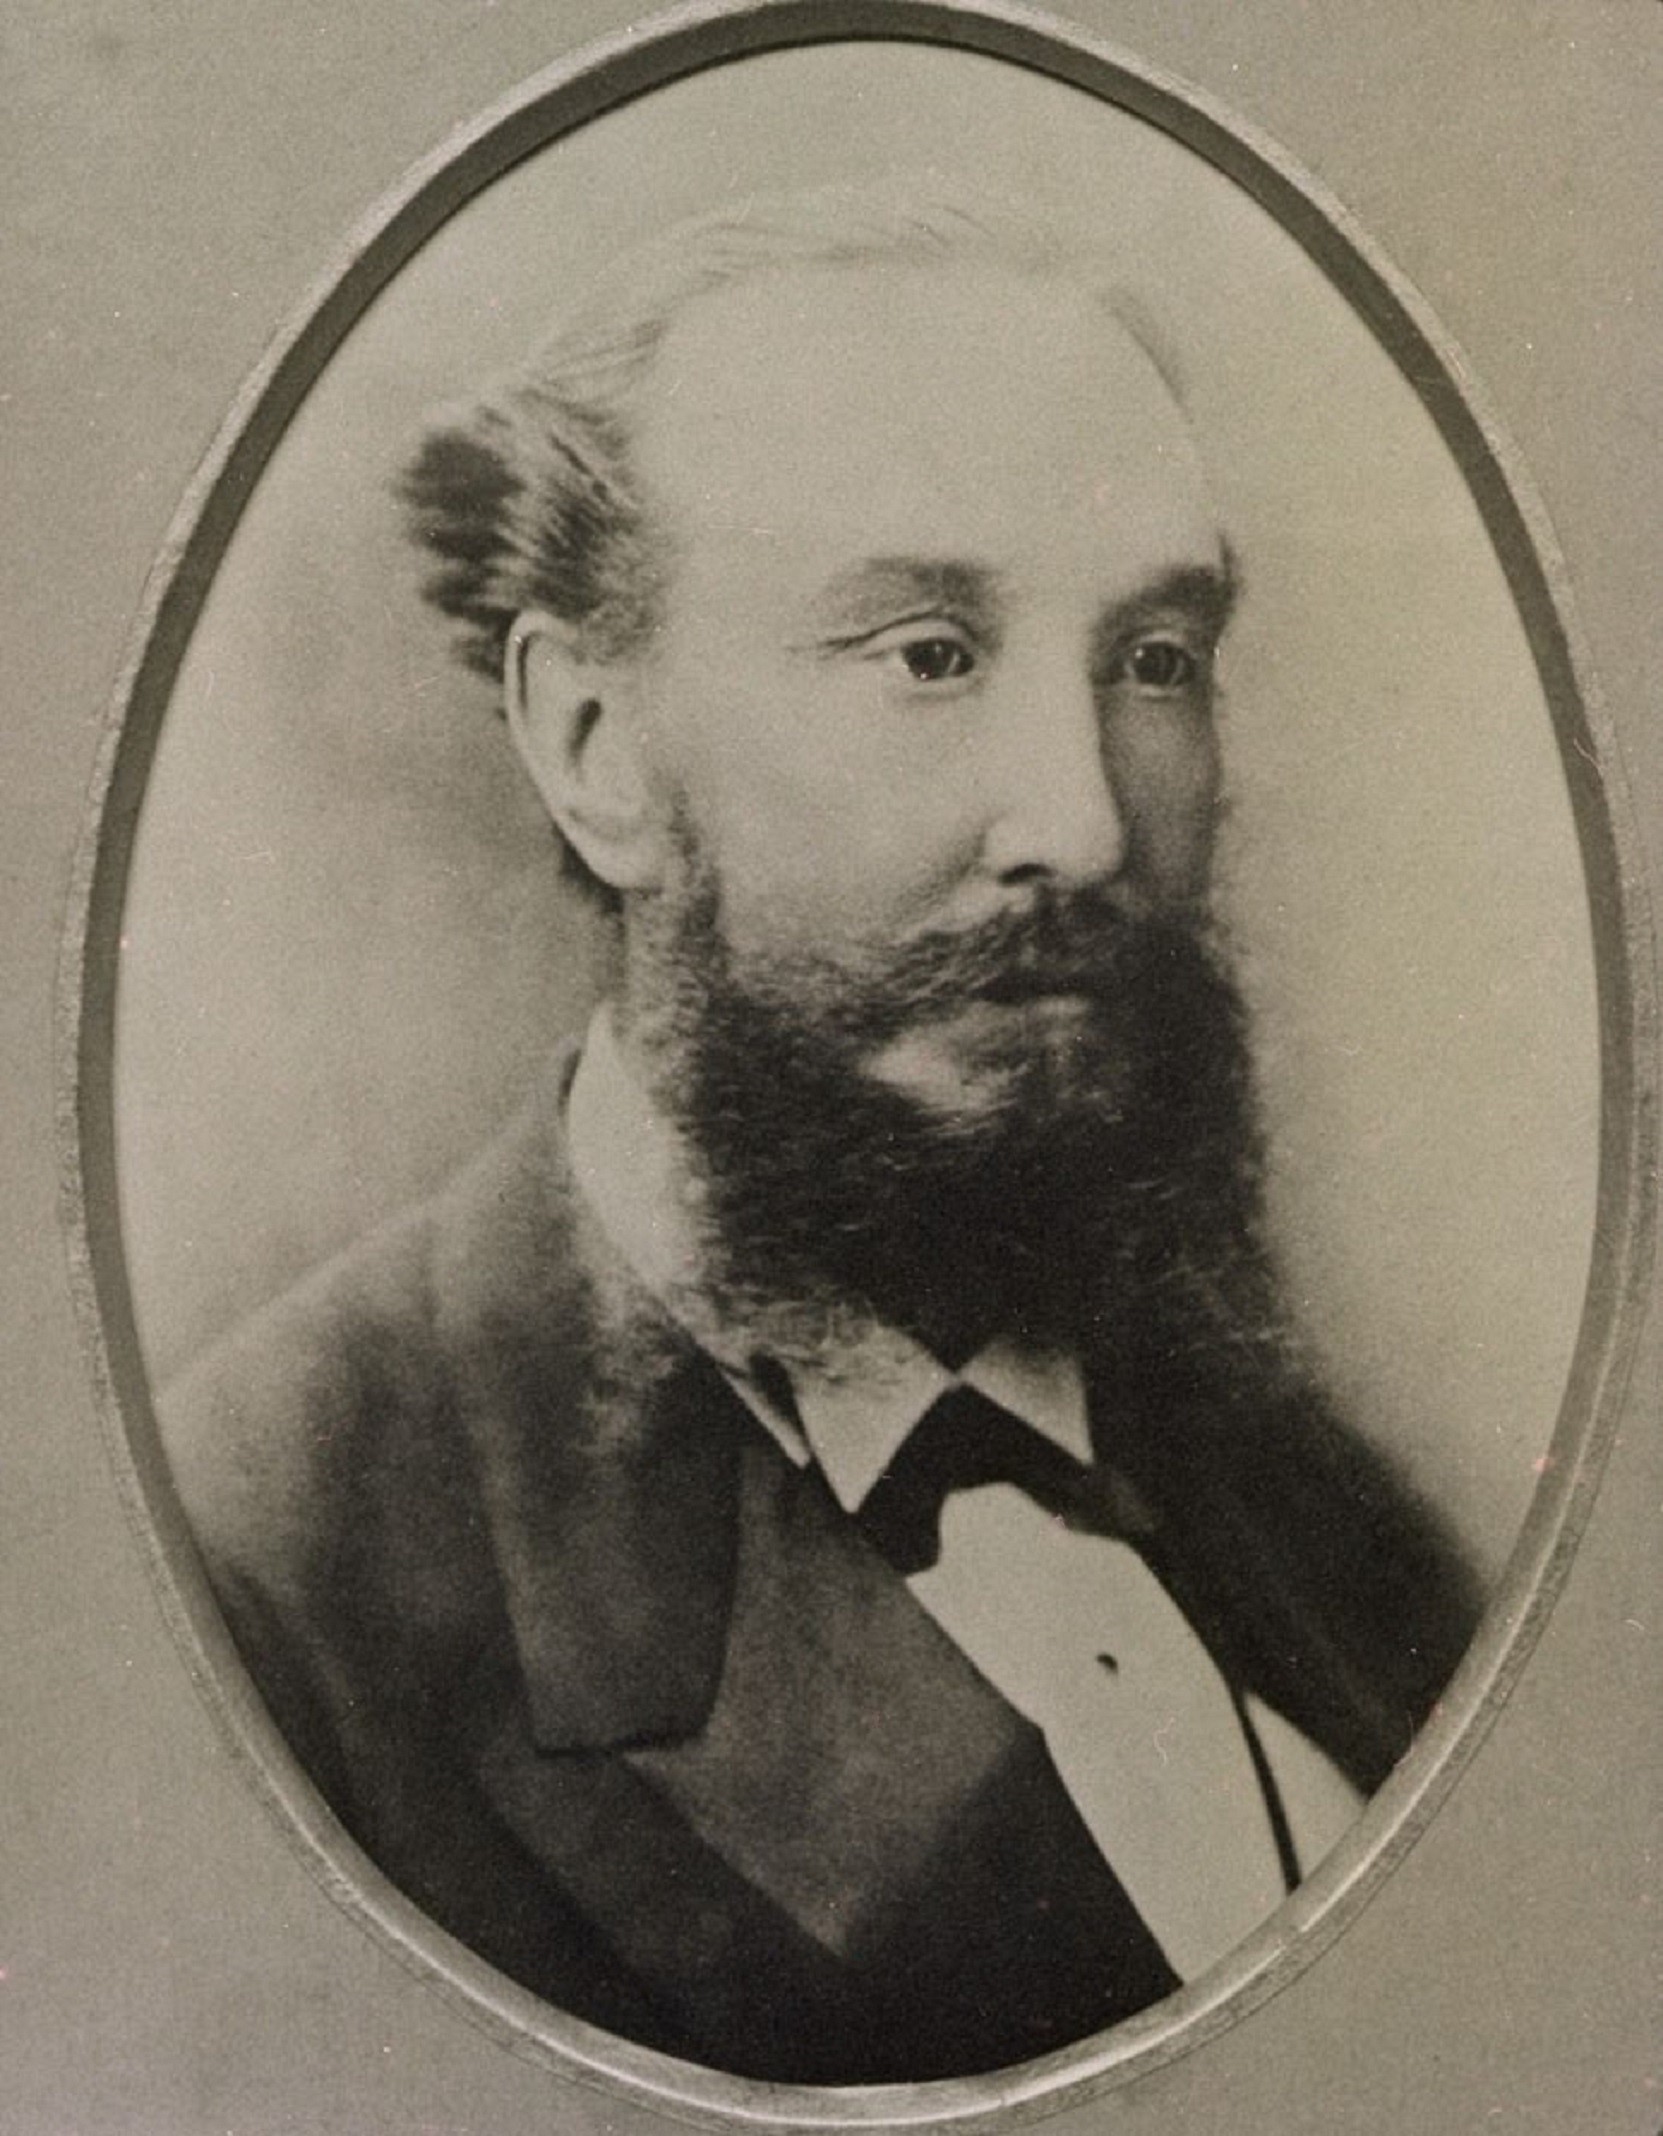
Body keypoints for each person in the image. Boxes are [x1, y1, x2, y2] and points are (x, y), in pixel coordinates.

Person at [162, 184, 1480, 2086]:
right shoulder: (267, 1592)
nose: (1086, 825)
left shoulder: (1355, 1540)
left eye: (1154, 658)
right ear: (594, 744)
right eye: (928, 653)